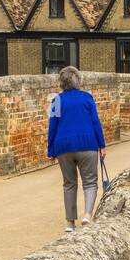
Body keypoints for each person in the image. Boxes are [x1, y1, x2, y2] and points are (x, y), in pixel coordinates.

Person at [46, 66, 106, 232]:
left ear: (62, 82)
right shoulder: (87, 98)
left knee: (69, 184)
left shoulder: (56, 100)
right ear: (77, 80)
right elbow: (95, 122)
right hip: (88, 144)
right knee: (90, 182)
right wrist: (101, 144)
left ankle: (70, 223)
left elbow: (52, 127)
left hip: (63, 146)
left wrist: (51, 150)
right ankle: (87, 215)